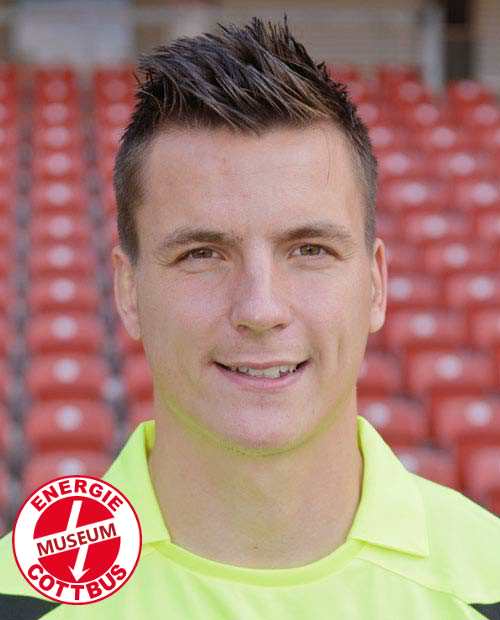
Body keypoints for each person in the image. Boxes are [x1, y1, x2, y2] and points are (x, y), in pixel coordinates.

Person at [1, 15, 500, 620]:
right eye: (202, 254)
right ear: (129, 291)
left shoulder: (489, 582)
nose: (260, 309)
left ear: (376, 285)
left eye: (310, 249)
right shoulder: (18, 599)